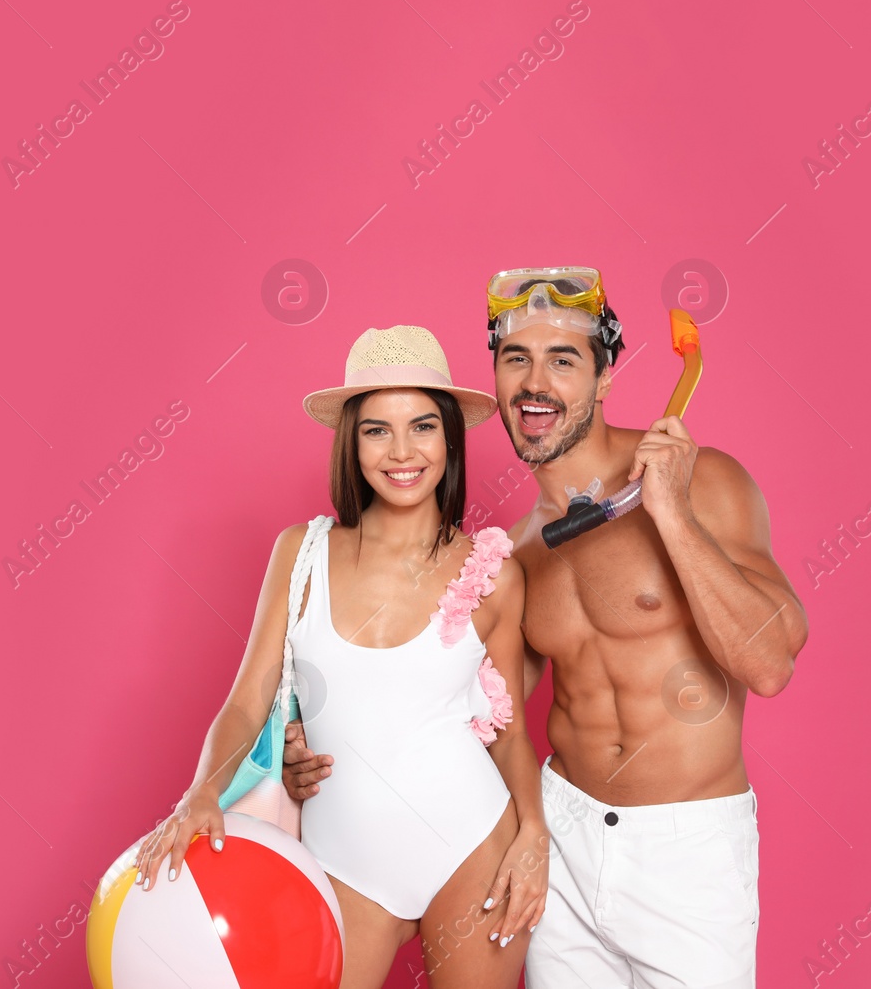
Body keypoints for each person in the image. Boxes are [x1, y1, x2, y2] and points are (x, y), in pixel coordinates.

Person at [286, 270, 809, 989]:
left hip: (686, 847)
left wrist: (673, 515)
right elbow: (462, 718)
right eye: (515, 359)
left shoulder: (705, 482)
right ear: (495, 383)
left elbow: (770, 663)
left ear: (604, 377)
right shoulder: (522, 549)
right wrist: (304, 746)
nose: (536, 383)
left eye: (563, 360)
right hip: (560, 840)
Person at [135, 325, 549, 989]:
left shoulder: (492, 572)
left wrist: (534, 839)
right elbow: (247, 699)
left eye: (421, 426)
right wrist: (200, 793)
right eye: (377, 431)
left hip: (473, 843)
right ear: (351, 444)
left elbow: (511, 738)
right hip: (345, 863)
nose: (403, 451)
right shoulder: (299, 553)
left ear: (449, 437)